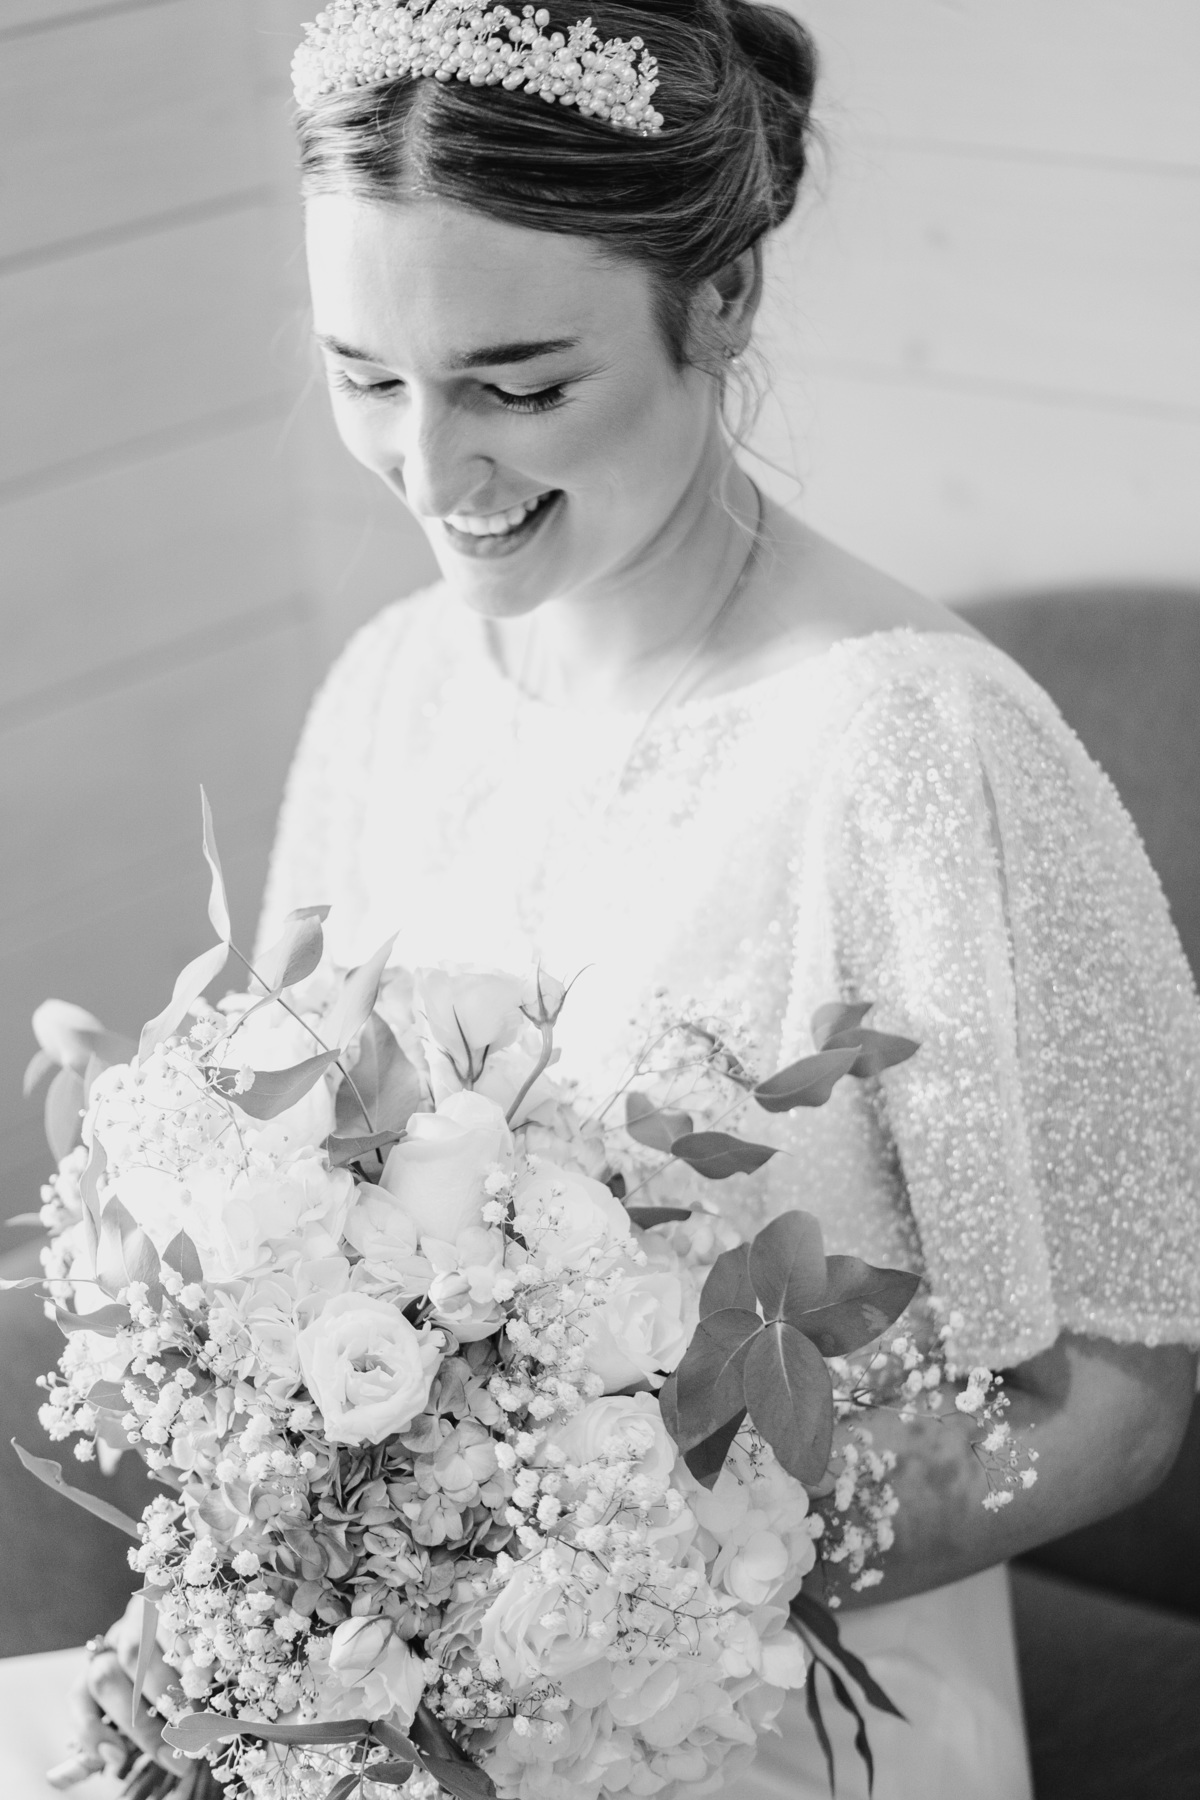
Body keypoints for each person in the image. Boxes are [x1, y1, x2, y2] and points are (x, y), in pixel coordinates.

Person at [71, 0, 1200, 1794]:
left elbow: (1115, 1405)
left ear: (722, 296)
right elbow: (288, 1239)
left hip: (778, 1720)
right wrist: (261, 1591)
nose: (430, 472)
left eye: (518, 387)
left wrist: (599, 1615)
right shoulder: (390, 687)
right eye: (365, 376)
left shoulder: (918, 749)